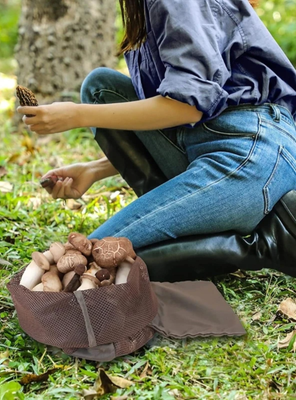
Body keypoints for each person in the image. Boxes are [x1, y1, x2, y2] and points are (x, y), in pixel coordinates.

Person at [17, 0, 296, 282]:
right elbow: (177, 120)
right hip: (199, 146)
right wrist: (96, 169)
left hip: (251, 151)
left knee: (92, 260)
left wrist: (76, 115)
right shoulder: (141, 6)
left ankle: (271, 239)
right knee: (101, 87)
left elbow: (186, 106)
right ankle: (188, 217)